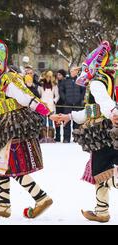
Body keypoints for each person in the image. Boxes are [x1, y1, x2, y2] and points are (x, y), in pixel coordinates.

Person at [0, 39, 54, 219]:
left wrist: (49, 113)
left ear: (5, 62)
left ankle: (41, 198)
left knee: (11, 167)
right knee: (0, 166)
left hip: (15, 126)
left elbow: (28, 99)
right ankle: (4, 205)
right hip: (2, 128)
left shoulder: (10, 80)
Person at [54, 41, 118, 223]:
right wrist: (70, 117)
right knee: (102, 173)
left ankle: (102, 211)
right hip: (108, 128)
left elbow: (104, 102)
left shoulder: (98, 81)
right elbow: (94, 109)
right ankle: (101, 210)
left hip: (102, 132)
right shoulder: (109, 78)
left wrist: (113, 113)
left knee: (101, 173)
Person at [59, 66, 85, 143]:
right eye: (72, 71)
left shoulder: (80, 80)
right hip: (67, 104)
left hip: (77, 104)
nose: (74, 72)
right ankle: (66, 138)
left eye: (75, 71)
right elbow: (61, 91)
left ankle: (76, 138)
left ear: (77, 72)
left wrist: (80, 99)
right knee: (66, 122)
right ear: (70, 72)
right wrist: (65, 99)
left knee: (77, 122)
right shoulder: (65, 81)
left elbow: (83, 91)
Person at [38, 70, 59, 142]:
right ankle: (43, 137)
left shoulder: (54, 85)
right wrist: (41, 101)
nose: (48, 78)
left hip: (51, 106)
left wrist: (54, 101)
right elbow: (39, 95)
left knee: (50, 122)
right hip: (43, 105)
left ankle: (50, 137)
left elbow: (57, 96)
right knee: (43, 122)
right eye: (47, 76)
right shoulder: (41, 85)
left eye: (50, 77)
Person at [54, 69, 67, 142]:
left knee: (64, 120)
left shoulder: (65, 82)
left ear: (63, 75)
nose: (58, 76)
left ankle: (65, 137)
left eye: (60, 75)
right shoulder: (56, 83)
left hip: (64, 104)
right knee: (57, 120)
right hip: (57, 104)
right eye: (57, 75)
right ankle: (58, 136)